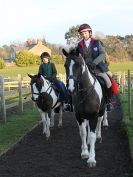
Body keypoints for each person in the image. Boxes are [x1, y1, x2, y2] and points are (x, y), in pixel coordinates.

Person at [77, 23, 113, 111]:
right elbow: (77, 56)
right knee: (73, 83)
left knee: (108, 82)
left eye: (85, 33)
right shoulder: (79, 45)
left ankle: (108, 102)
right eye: (82, 34)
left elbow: (102, 54)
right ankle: (71, 103)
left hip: (97, 68)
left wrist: (94, 63)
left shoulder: (96, 42)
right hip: (85, 69)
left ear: (90, 33)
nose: (84, 35)